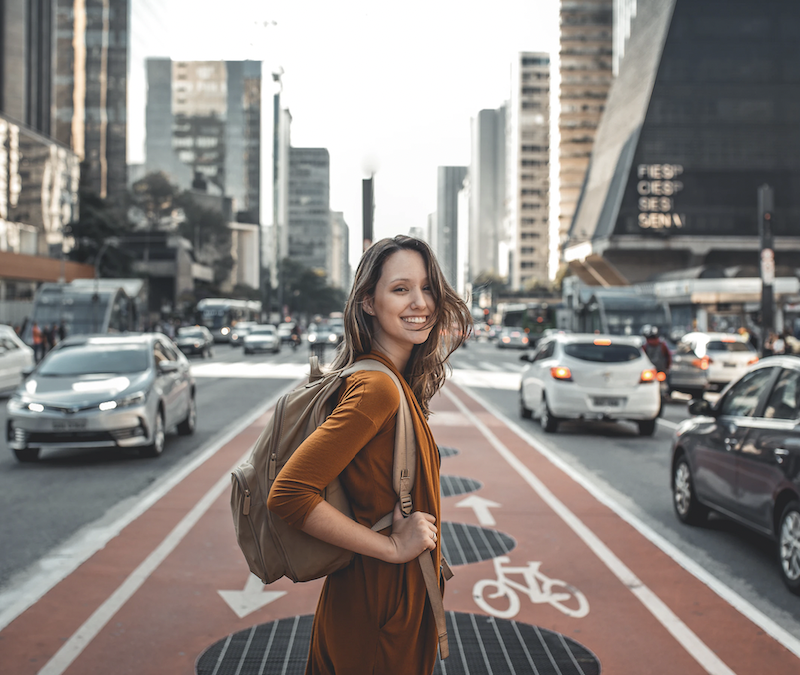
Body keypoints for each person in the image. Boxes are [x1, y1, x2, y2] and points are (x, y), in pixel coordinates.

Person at [267, 235, 471, 675]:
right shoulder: (377, 387)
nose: (420, 302)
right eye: (400, 289)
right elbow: (289, 494)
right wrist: (394, 547)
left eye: (428, 287)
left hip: (387, 600)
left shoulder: (393, 380)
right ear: (367, 303)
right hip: (380, 606)